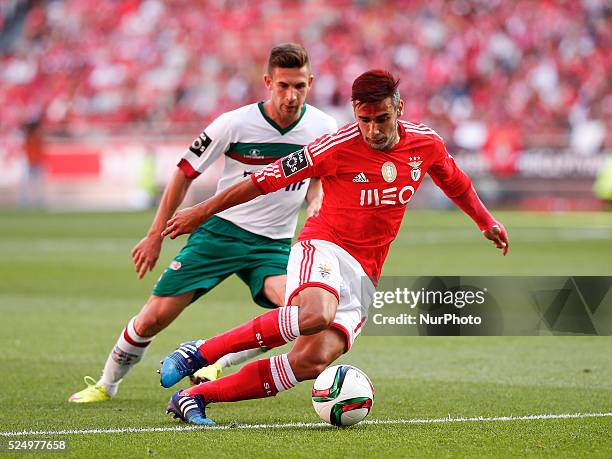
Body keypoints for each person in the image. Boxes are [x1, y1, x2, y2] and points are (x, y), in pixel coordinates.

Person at [157, 69, 510, 425]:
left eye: (381, 119)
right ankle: (198, 353)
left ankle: (192, 397)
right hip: (324, 246)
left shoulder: (426, 143)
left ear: (399, 109)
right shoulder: (335, 146)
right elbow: (264, 180)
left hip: (365, 273)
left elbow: (457, 182)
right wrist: (202, 211)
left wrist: (486, 221)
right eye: (364, 120)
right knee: (315, 314)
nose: (372, 130)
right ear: (355, 113)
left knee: (310, 361)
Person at [68, 43, 338, 403]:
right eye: (284, 85)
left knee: (299, 312)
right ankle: (106, 384)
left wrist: (315, 199)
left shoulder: (324, 127)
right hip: (220, 233)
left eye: (299, 86)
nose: (291, 95)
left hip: (273, 245)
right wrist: (154, 235)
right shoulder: (234, 123)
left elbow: (317, 175)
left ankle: (217, 361)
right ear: (268, 82)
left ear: (311, 83)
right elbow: (184, 173)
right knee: (153, 318)